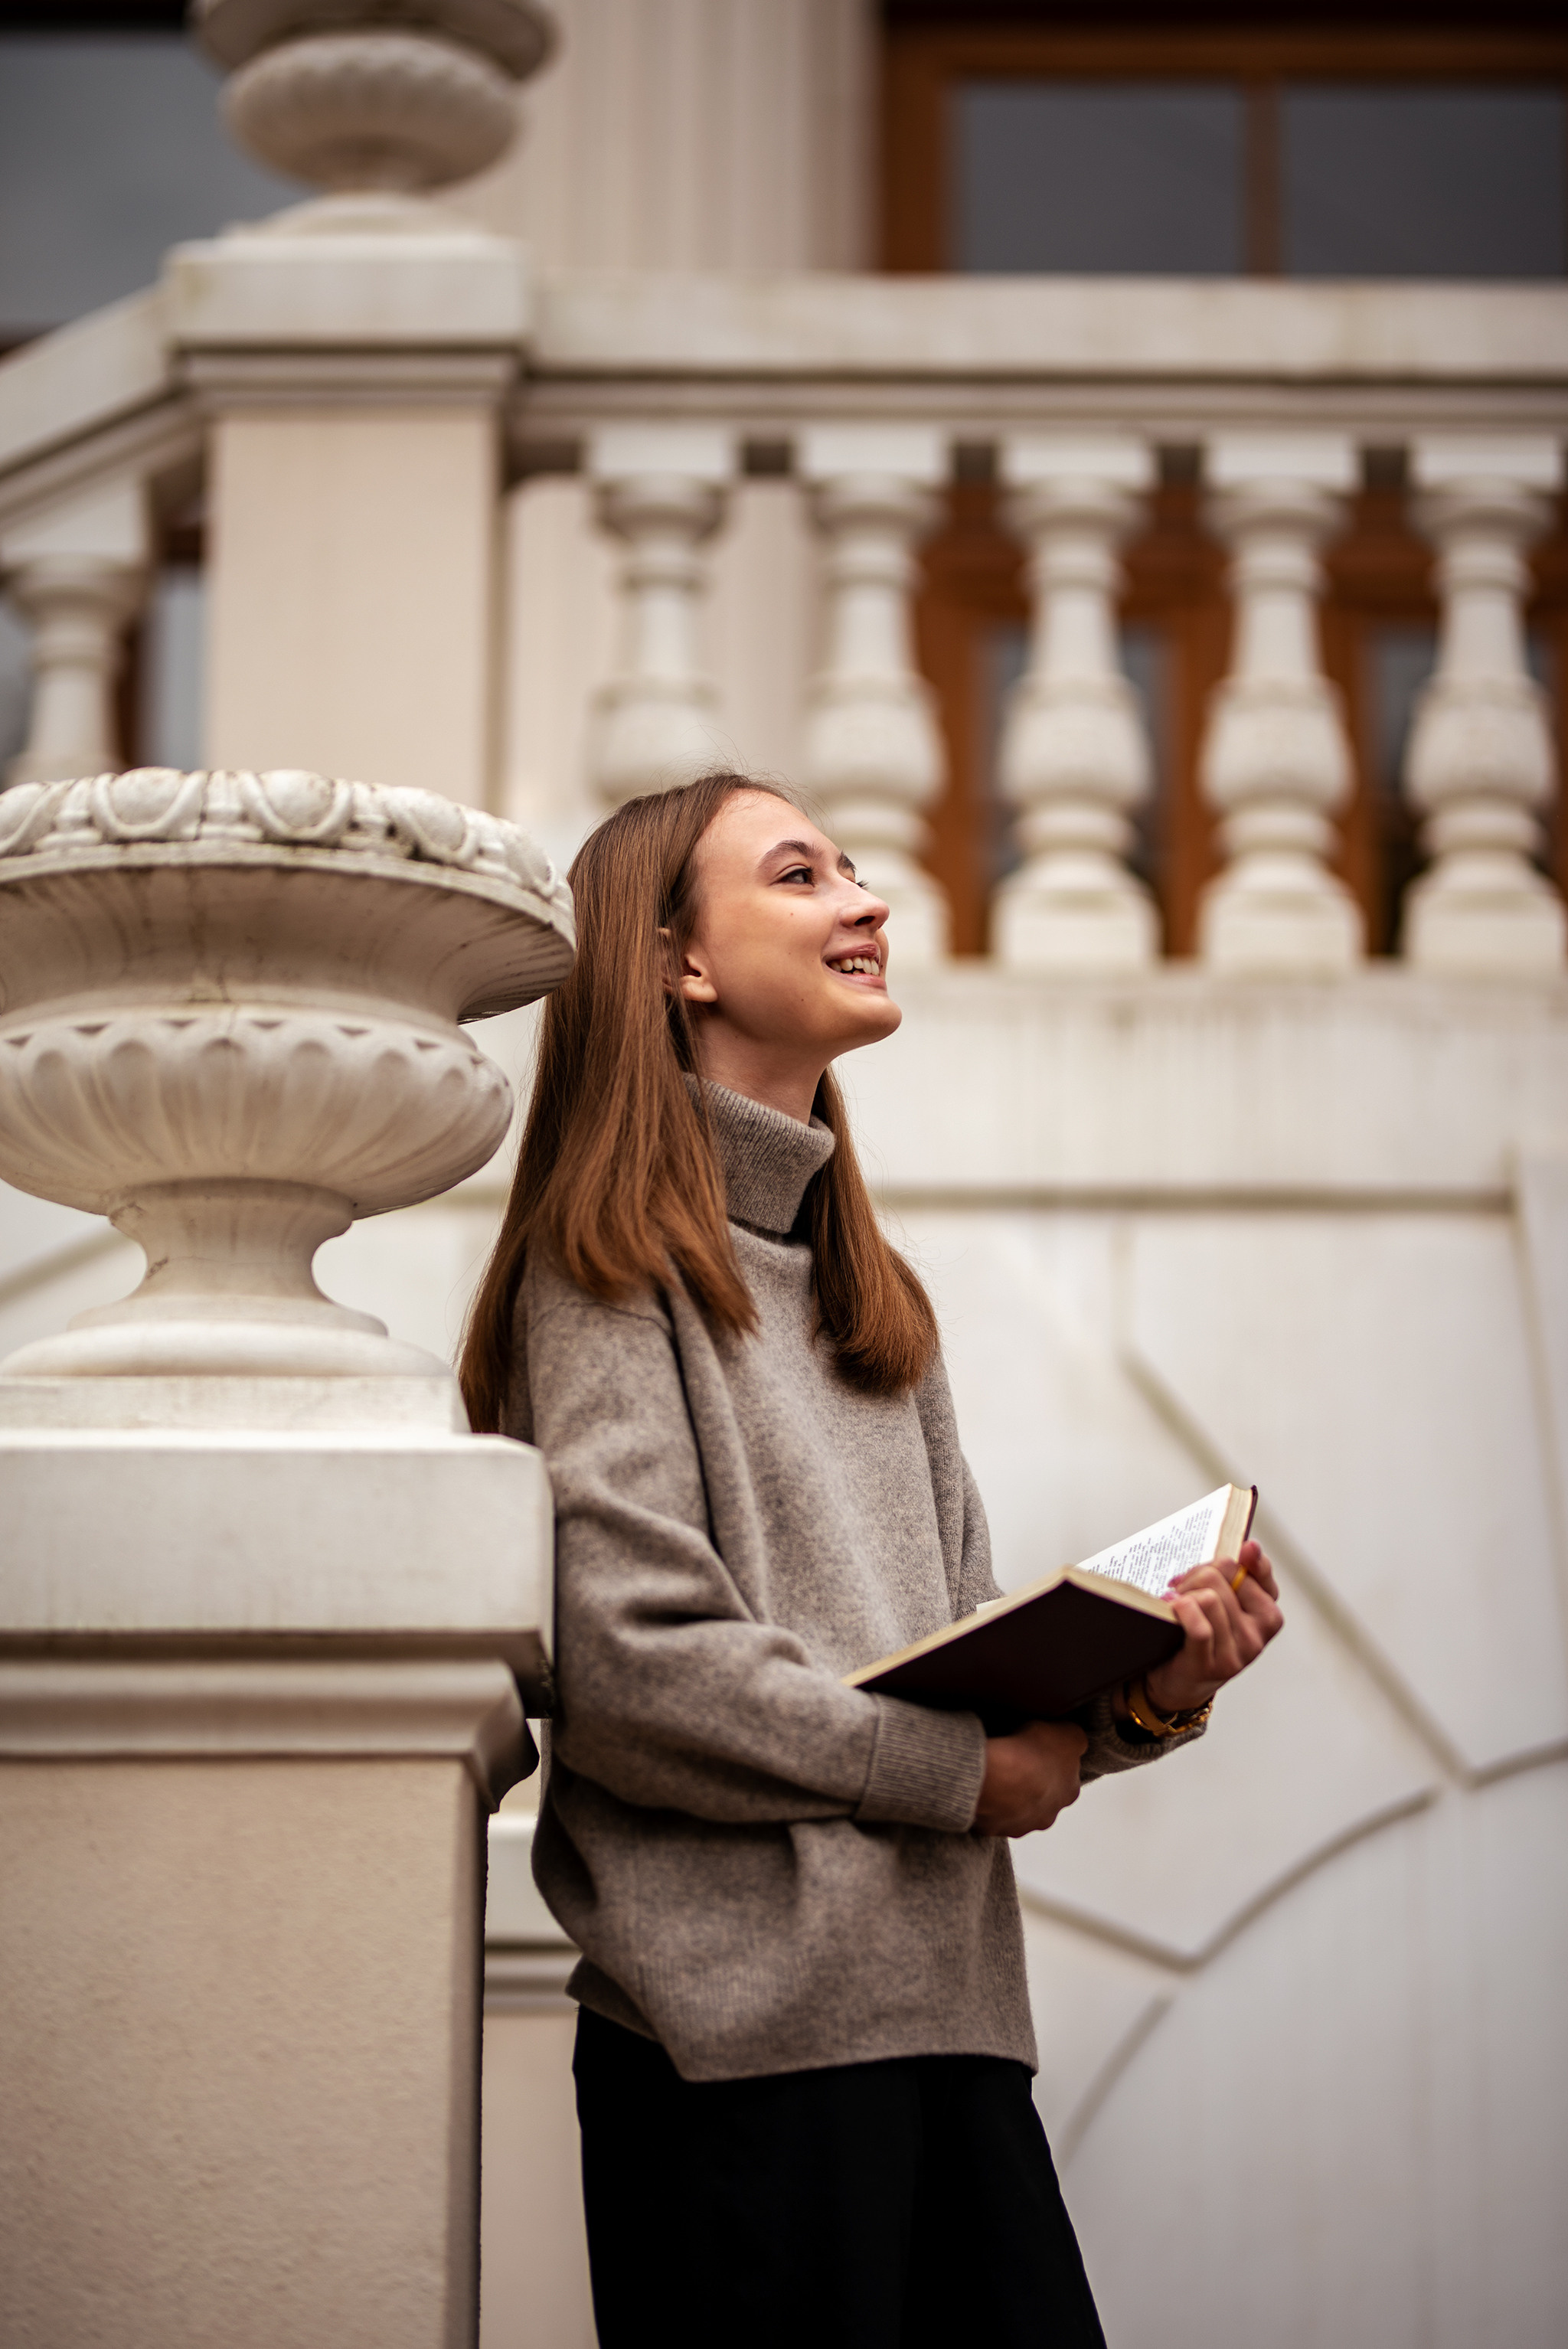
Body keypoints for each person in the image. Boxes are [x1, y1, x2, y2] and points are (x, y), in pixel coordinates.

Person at [461, 772, 1283, 2348]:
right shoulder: (602, 1271)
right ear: (677, 960)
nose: (866, 899)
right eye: (800, 874)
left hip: (956, 2031)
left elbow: (965, 1675)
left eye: (851, 866)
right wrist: (956, 1779)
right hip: (735, 2065)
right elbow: (639, 1671)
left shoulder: (868, 1298)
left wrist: (1142, 1690)